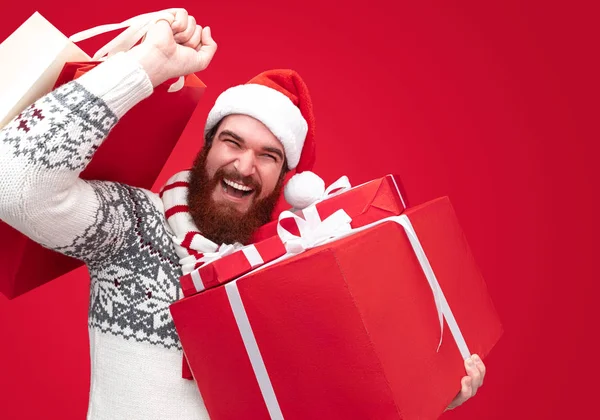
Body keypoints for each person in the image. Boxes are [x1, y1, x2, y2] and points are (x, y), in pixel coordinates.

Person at [0, 8, 486, 419]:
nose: (244, 165)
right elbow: (14, 184)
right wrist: (145, 68)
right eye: (231, 142)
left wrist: (427, 393)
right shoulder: (133, 228)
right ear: (206, 150)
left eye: (268, 156)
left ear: (282, 181)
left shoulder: (298, 270)